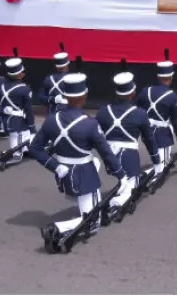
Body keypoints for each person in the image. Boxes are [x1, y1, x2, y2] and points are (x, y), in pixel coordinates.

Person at [28, 73, 129, 237]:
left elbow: (35, 149)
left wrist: (55, 166)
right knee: (93, 222)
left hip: (63, 175)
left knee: (94, 163)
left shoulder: (52, 120)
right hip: (83, 175)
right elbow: (106, 153)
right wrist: (121, 175)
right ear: (84, 96)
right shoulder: (89, 124)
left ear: (66, 96)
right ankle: (56, 229)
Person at [96, 72, 161, 208]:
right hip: (127, 158)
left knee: (127, 182)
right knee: (133, 190)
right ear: (133, 93)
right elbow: (148, 140)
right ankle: (112, 205)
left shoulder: (102, 112)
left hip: (108, 158)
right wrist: (156, 161)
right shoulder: (140, 114)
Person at [136, 60, 177, 168]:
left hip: (146, 133)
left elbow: (136, 111)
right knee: (160, 168)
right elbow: (176, 122)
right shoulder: (172, 96)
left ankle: (164, 160)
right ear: (171, 77)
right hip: (161, 135)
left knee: (162, 161)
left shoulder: (145, 91)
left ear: (158, 77)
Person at [0, 58, 35, 165]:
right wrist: (32, 127)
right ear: (20, 74)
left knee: (15, 137)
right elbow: (28, 110)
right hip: (20, 123)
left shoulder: (0, 87)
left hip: (6, 121)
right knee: (22, 140)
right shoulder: (24, 89)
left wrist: (2, 110)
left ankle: (20, 150)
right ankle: (15, 153)